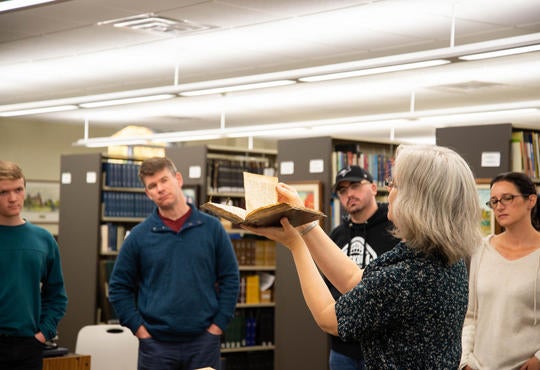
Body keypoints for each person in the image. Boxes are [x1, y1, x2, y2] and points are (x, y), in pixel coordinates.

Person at [242, 144, 482, 369]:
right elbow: (356, 279)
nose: (389, 190)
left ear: (416, 200)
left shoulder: (407, 276)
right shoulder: (441, 257)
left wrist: (296, 245)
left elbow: (329, 316)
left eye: (394, 184)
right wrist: (305, 225)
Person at [109, 157, 240, 370]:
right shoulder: (138, 237)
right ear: (147, 193)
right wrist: (140, 330)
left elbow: (230, 279)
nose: (160, 188)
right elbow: (118, 288)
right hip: (156, 346)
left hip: (204, 343)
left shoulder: (212, 229)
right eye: (152, 185)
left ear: (178, 179)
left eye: (164, 180)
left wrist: (217, 327)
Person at [460, 172, 540, 370]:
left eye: (508, 198)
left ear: (531, 200)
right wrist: (465, 361)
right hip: (479, 365)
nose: (499, 206)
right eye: (494, 201)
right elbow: (471, 315)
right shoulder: (481, 249)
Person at [327, 166, 399, 370]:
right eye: (342, 191)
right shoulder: (337, 236)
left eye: (355, 186)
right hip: (342, 348)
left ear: (374, 188)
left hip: (384, 349)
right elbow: (328, 285)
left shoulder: (396, 229)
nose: (349, 194)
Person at [0, 160, 67, 370]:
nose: (13, 198)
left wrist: (42, 334)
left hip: (29, 345)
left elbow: (57, 295)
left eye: (18, 189)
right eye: (3, 192)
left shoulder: (44, 239)